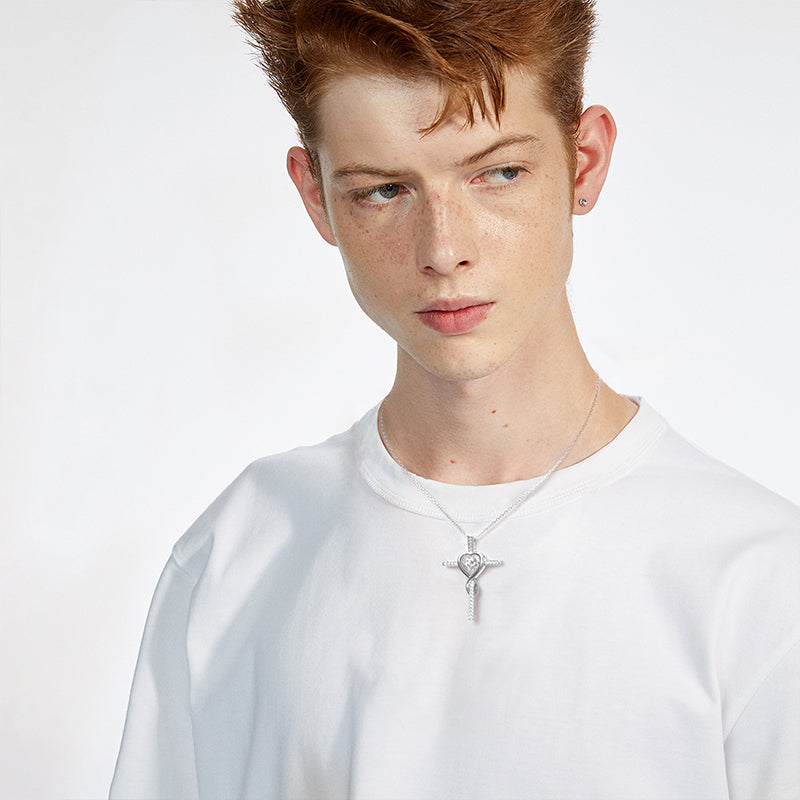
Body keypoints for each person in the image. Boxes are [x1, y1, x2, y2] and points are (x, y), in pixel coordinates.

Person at [109, 1, 800, 798]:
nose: (444, 249)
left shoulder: (760, 582)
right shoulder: (238, 554)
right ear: (315, 195)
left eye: (499, 173)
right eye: (381, 190)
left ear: (584, 163)